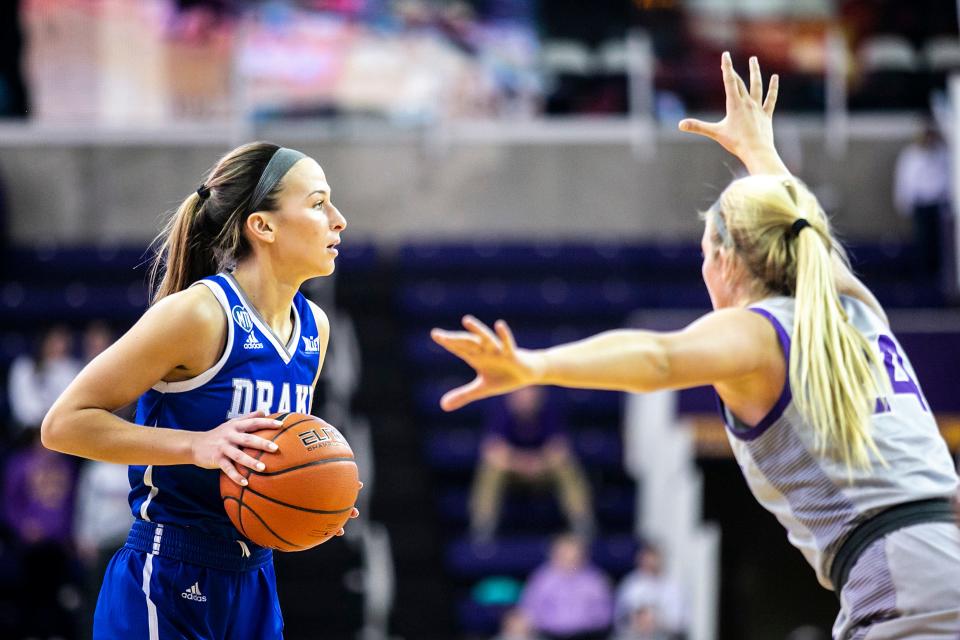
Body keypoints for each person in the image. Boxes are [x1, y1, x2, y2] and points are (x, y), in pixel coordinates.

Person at [432, 53, 960, 639]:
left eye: (705, 251)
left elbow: (659, 358)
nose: (702, 265)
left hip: (902, 570)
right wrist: (761, 153)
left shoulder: (761, 333)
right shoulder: (849, 303)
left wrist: (534, 364)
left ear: (727, 260)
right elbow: (802, 226)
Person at [41, 142, 360, 639]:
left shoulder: (313, 328)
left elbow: (273, 465)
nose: (338, 219)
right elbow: (63, 424)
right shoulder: (199, 314)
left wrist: (315, 499)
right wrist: (197, 445)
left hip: (255, 576)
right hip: (167, 573)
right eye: (318, 203)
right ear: (264, 226)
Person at [471, 386, 593, 542]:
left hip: (543, 470)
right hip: (512, 472)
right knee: (490, 470)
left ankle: (581, 521)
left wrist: (538, 462)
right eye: (521, 395)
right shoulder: (501, 411)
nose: (526, 399)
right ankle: (483, 526)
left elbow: (561, 449)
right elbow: (492, 451)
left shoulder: (550, 410)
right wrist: (521, 463)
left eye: (530, 394)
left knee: (567, 467)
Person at [518, 534, 612, 640]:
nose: (569, 561)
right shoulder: (541, 578)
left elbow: (605, 614)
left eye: (574, 557)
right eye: (564, 556)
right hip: (548, 636)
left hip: (587, 636)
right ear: (554, 555)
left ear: (583, 556)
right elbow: (529, 611)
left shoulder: (595, 579)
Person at [892, 121, 952, 278]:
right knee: (923, 241)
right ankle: (923, 274)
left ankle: (937, 273)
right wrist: (904, 203)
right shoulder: (911, 156)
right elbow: (904, 181)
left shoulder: (942, 154)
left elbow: (948, 179)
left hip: (938, 204)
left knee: (939, 242)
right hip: (921, 205)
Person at [8, 325, 82, 437]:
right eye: (54, 340)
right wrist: (40, 423)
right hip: (28, 432)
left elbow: (70, 405)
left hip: (61, 431)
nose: (59, 346)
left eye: (63, 341)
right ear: (44, 341)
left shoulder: (72, 368)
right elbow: (22, 408)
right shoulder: (24, 366)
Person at [612, 544, 686, 639]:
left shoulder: (673, 587)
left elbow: (679, 622)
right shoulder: (630, 584)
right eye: (646, 559)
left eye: (653, 559)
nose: (650, 563)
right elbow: (620, 618)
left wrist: (656, 621)